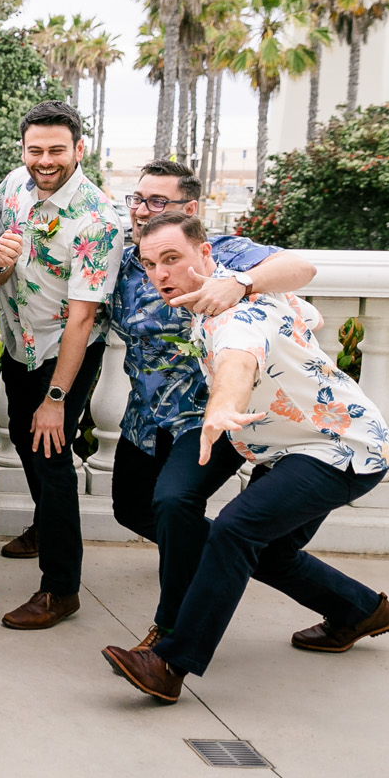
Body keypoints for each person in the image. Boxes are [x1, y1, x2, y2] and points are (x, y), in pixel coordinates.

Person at [101, 213, 389, 703]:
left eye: (172, 258)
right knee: (270, 553)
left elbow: (237, 357)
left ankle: (170, 663)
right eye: (151, 263)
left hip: (339, 449)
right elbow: (302, 310)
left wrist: (222, 406)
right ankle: (361, 610)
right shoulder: (235, 297)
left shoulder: (237, 314)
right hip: (297, 446)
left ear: (206, 255)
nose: (160, 274)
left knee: (236, 530)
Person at [103, 160, 315, 653]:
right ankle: (355, 606)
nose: (142, 210)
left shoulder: (221, 252)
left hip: (207, 415)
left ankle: (171, 630)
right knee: (133, 510)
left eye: (157, 202)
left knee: (175, 503)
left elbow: (301, 269)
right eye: (137, 199)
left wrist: (240, 283)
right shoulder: (128, 255)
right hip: (144, 415)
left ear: (189, 209)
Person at [0, 101, 123, 630]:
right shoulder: (13, 188)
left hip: (65, 348)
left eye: (56, 151)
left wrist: (56, 399)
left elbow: (83, 318)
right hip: (19, 339)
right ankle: (46, 525)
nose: (45, 161)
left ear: (79, 150)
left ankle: (61, 587)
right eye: (35, 150)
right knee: (24, 437)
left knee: (51, 452)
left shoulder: (97, 219)